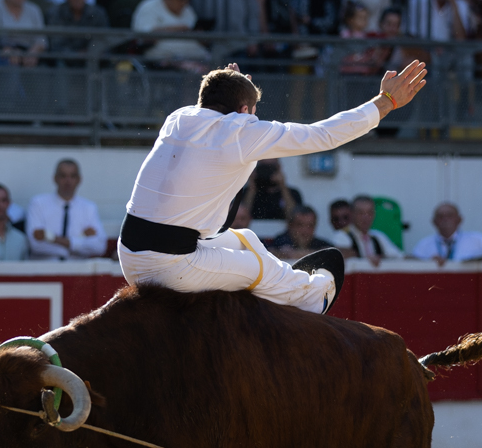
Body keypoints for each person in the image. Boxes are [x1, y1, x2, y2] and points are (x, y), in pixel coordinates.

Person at [118, 60, 428, 314]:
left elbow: (218, 101)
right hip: (169, 264)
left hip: (130, 251)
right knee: (257, 268)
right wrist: (385, 102)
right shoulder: (240, 130)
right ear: (242, 112)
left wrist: (233, 87)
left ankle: (289, 278)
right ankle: (313, 299)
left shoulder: (180, 117)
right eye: (252, 112)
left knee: (245, 239)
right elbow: (323, 135)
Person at [27, 159, 107, 259]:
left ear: (79, 179)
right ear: (55, 178)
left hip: (78, 271)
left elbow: (100, 246)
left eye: (72, 176)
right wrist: (79, 239)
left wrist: (52, 238)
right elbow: (35, 245)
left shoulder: (89, 208)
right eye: (63, 176)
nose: (68, 181)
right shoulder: (38, 203)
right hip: (45, 269)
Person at [410, 202, 482, 265]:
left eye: (450, 215)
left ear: (459, 219)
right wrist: (428, 264)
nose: (445, 219)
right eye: (440, 216)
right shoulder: (423, 245)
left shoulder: (478, 240)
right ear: (434, 221)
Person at [131, 0, 210, 72]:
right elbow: (144, 37)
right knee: (195, 71)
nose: (184, 3)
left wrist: (200, 35)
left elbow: (202, 42)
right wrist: (178, 29)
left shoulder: (188, 10)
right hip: (164, 59)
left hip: (198, 57)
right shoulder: (149, 7)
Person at [332, 193, 401, 264]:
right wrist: (366, 260)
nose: (366, 217)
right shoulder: (342, 235)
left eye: (369, 213)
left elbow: (400, 257)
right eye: (361, 213)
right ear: (352, 214)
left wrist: (382, 258)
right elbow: (339, 255)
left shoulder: (378, 236)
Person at [0, 0, 47, 66]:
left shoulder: (34, 9)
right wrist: (7, 48)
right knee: (8, 62)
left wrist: (34, 52)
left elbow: (42, 39)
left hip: (29, 50)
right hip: (3, 51)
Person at [267, 205, 336, 261]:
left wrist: (294, 254)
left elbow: (338, 253)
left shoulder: (319, 243)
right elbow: (269, 253)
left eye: (310, 225)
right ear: (290, 225)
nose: (305, 230)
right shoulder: (279, 240)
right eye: (300, 225)